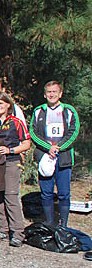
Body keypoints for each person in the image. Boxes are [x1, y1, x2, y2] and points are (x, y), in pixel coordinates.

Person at [0, 92, 31, 247]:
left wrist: (11, 150)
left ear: (8, 104)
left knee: (10, 195)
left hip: (11, 162)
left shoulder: (16, 122)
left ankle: (17, 233)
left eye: (1, 103)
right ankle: (3, 229)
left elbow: (26, 143)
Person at [30, 81, 79, 227]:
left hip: (63, 157)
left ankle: (63, 224)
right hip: (45, 156)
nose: (52, 95)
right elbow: (33, 132)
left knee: (64, 193)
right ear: (45, 94)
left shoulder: (69, 110)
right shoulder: (38, 111)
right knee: (46, 193)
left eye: (54, 92)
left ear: (60, 94)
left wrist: (59, 147)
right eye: (49, 92)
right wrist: (48, 148)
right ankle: (49, 223)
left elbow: (74, 131)